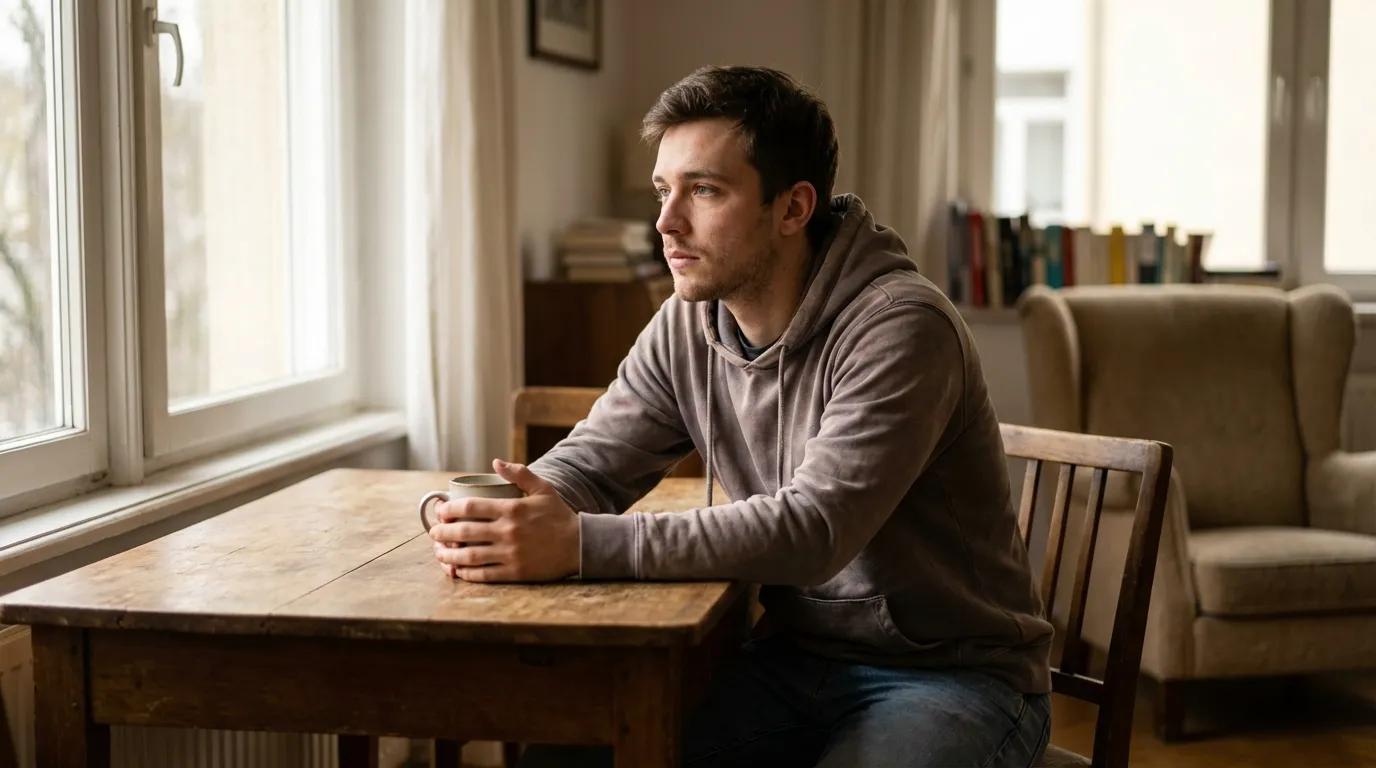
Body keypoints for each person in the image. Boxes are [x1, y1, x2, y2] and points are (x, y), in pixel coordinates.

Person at [429, 65, 1052, 767]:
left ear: (792, 209)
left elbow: (814, 530)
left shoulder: (901, 327)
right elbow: (595, 461)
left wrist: (576, 545)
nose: (666, 222)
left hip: (950, 675)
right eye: (664, 190)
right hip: (790, 660)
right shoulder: (686, 322)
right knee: (568, 753)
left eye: (704, 190)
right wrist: (508, 514)